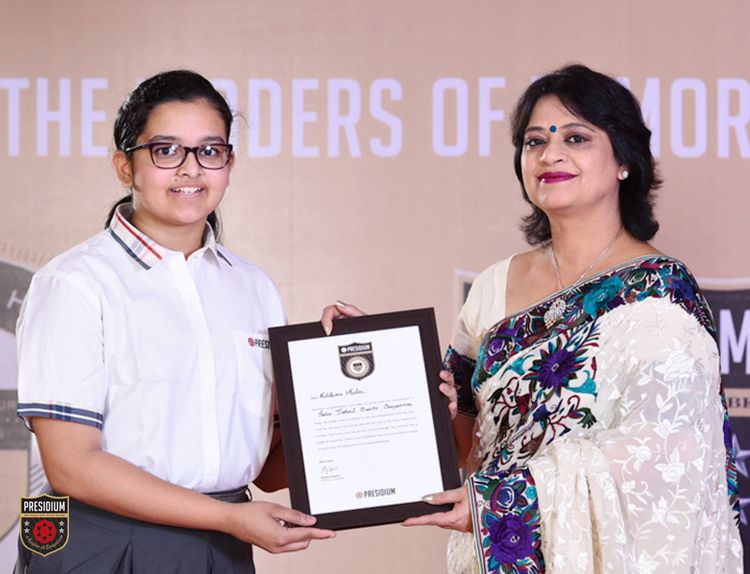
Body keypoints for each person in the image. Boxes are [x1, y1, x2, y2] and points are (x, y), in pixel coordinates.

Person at [324, 64, 742, 572]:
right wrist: (386, 364)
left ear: (623, 161)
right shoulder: (492, 286)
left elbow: (671, 460)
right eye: (534, 141)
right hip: (495, 556)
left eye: (576, 138)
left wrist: (506, 499)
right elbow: (465, 446)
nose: (550, 155)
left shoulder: (660, 289)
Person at [15, 69, 334, 573]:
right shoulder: (75, 282)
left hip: (224, 545)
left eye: (210, 151)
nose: (191, 170)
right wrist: (227, 519)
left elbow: (269, 468)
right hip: (101, 541)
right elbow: (71, 466)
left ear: (229, 163)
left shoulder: (255, 288)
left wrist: (355, 387)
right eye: (166, 151)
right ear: (125, 167)